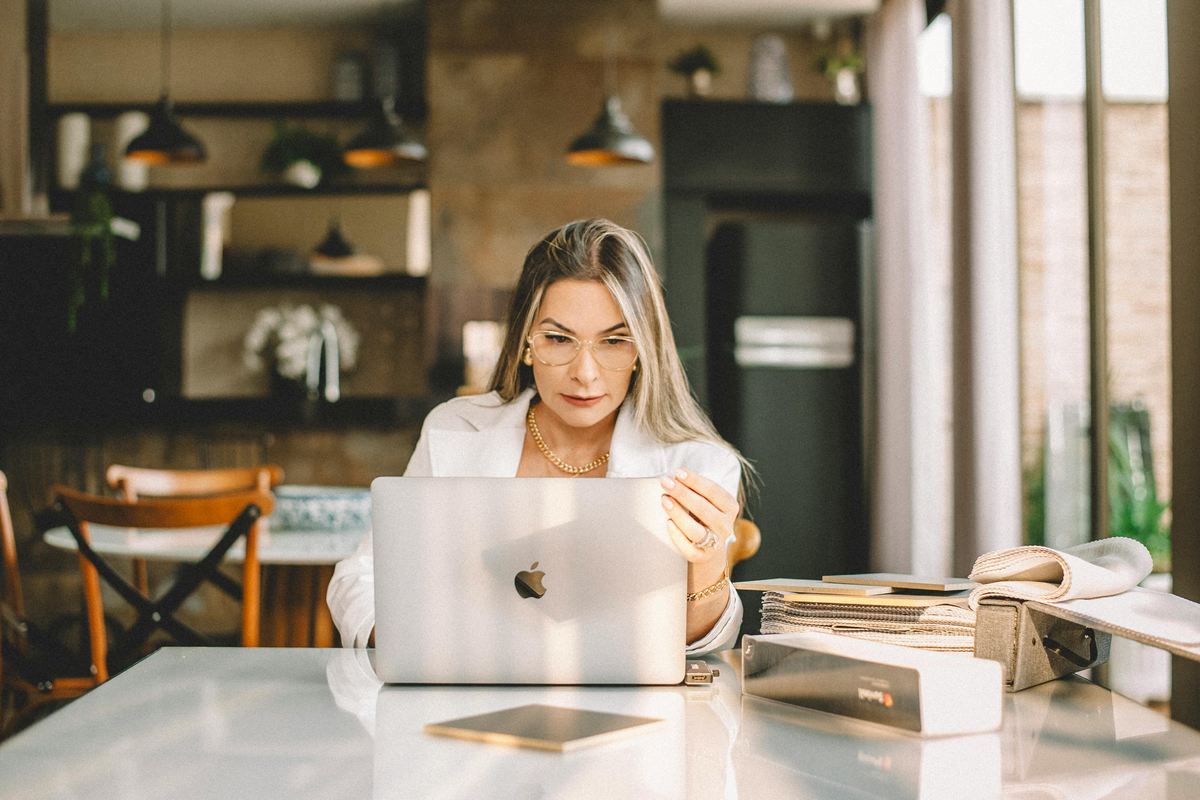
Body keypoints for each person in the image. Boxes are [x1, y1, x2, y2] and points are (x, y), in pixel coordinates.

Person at [327, 218, 754, 655]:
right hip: (461, 694)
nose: (585, 374)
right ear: (526, 343)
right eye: (558, 338)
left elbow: (699, 648)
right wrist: (416, 651)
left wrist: (707, 567)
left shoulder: (698, 463)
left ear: (643, 352)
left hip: (629, 709)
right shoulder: (454, 430)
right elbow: (361, 577)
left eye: (614, 342)